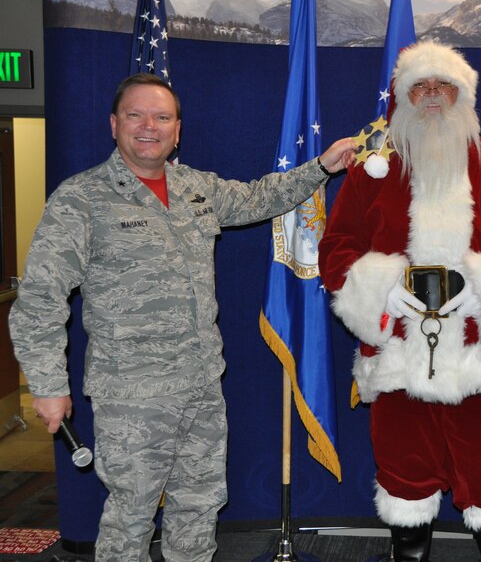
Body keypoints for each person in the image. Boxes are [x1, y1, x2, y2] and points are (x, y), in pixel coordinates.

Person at [9, 73, 356, 561]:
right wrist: (47, 384)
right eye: (135, 115)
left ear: (178, 130)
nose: (149, 126)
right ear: (114, 124)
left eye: (162, 117)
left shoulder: (195, 187)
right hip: (132, 395)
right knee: (131, 516)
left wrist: (322, 166)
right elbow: (40, 301)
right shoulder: (81, 199)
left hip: (200, 387)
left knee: (199, 508)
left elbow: (260, 197)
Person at [318, 42, 481, 562]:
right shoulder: (371, 171)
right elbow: (336, 248)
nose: (431, 97)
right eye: (419, 87)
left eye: (442, 86)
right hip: (400, 352)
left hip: (479, 355)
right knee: (404, 476)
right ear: (402, 97)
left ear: (462, 95)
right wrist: (385, 289)